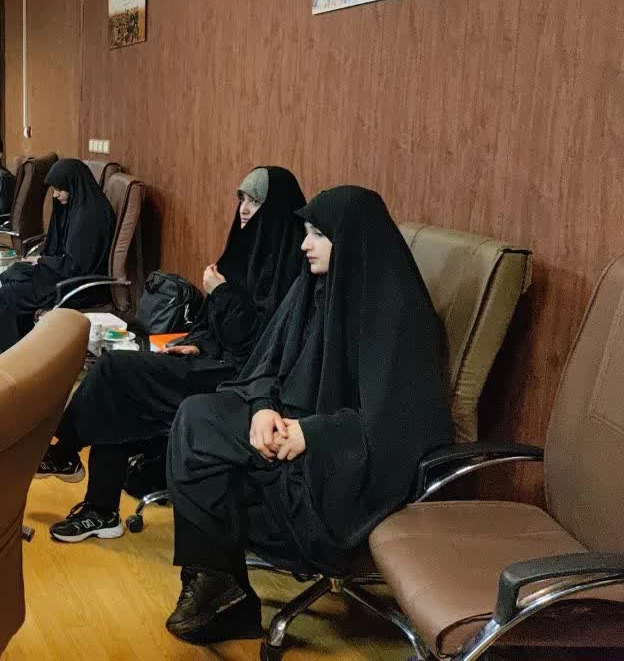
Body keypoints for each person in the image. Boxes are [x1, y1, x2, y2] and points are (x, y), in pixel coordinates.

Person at [162, 186, 452, 645]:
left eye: (318, 234)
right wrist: (262, 408)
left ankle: (222, 592)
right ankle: (218, 584)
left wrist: (312, 433)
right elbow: (267, 363)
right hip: (287, 426)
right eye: (306, 232)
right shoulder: (313, 288)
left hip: (340, 461)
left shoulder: (399, 314)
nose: (304, 245)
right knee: (196, 416)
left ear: (350, 241)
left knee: (200, 438)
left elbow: (403, 427)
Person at [41, 167, 307, 543]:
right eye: (242, 199)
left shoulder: (293, 267)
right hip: (212, 362)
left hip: (243, 382)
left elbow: (259, 345)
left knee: (116, 370)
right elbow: (212, 325)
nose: (245, 209)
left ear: (276, 208)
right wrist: (198, 342)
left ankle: (68, 455)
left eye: (256, 201)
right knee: (117, 386)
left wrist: (221, 292)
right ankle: (98, 506)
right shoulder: (244, 249)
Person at [0, 158, 115, 350]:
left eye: (59, 189)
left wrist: (43, 260)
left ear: (73, 185)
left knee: (10, 293)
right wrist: (43, 260)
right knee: (14, 274)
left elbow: (77, 265)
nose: (55, 195)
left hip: (80, 285)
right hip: (66, 273)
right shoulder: (78, 205)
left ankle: (5, 352)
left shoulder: (90, 217)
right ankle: (19, 347)